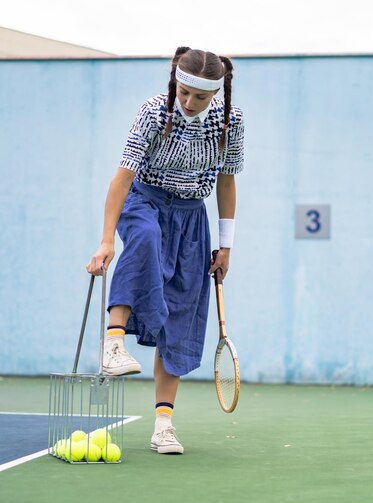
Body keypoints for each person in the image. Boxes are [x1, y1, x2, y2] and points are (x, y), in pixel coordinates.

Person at [86, 46, 244, 455]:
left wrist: (225, 246)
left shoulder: (231, 122)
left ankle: (163, 426)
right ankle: (114, 344)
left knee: (180, 315)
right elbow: (122, 178)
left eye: (199, 97)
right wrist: (106, 239)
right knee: (143, 240)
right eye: (183, 91)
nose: (188, 103)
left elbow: (226, 183)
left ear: (216, 94)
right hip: (144, 202)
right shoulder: (154, 112)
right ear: (174, 82)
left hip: (193, 219)